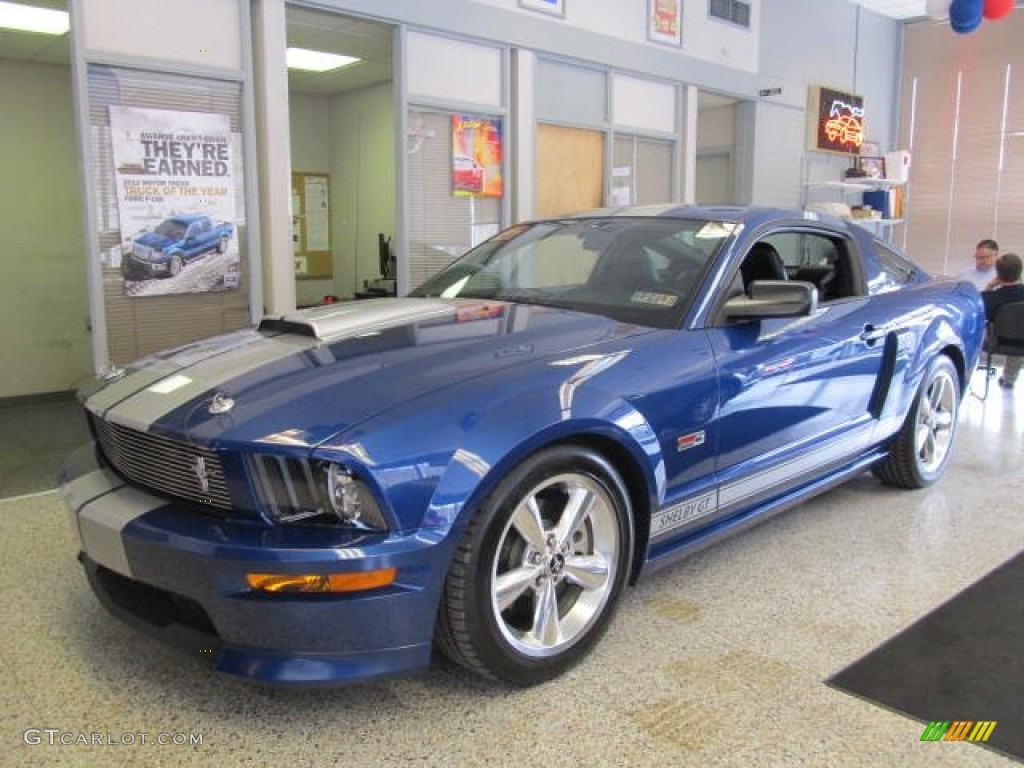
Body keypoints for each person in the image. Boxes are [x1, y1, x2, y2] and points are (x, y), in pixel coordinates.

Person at [981, 252, 1024, 389]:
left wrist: (988, 288)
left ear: (998, 275)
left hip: (998, 343)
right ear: (1020, 272)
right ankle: (1009, 380)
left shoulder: (990, 298)